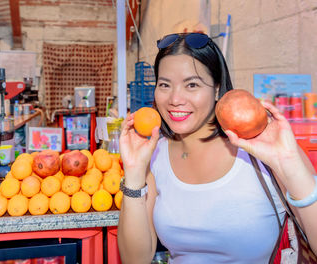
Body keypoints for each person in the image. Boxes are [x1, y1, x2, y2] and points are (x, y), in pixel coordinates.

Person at [117, 33, 317, 263]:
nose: (174, 98)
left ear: (217, 88)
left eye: (192, 84)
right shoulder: (154, 155)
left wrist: (289, 166)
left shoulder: (261, 151)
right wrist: (133, 174)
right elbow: (135, 259)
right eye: (164, 84)